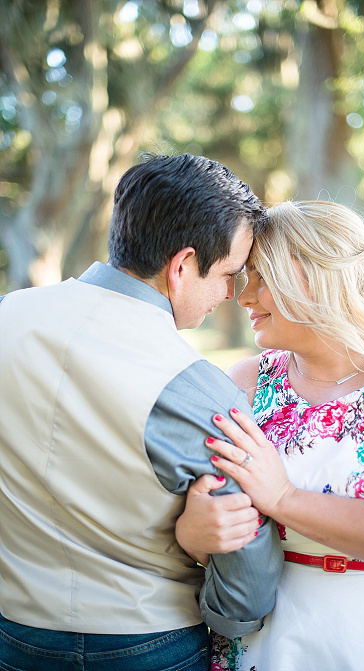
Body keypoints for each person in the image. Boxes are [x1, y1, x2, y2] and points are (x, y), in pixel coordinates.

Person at [0, 153, 284, 670]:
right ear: (181, 267)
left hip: (14, 635)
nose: (230, 294)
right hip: (148, 641)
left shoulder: (8, 317)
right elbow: (245, 584)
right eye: (227, 275)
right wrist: (228, 621)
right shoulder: (200, 392)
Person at [174, 200, 364, 671]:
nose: (244, 298)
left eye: (261, 278)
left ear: (313, 277)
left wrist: (282, 498)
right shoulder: (245, 382)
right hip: (269, 638)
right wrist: (193, 533)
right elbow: (211, 528)